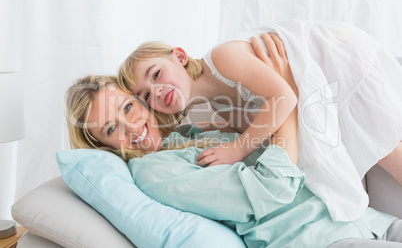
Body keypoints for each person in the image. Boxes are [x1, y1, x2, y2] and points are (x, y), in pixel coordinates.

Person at [64, 74, 402, 248]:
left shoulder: (185, 136)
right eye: (112, 128)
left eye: (128, 108)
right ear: (102, 144)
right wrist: (285, 99)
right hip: (319, 239)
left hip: (367, 220)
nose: (133, 127)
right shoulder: (153, 171)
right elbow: (271, 188)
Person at [117, 20, 402, 221]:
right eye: (144, 97)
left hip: (332, 56)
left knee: (380, 144)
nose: (156, 92)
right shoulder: (207, 106)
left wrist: (238, 148)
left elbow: (284, 97)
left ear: (179, 57)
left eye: (156, 75)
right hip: (314, 83)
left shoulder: (222, 58)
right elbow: (259, 123)